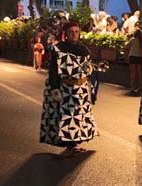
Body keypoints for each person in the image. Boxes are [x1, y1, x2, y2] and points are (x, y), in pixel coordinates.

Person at [40, 21, 98, 156]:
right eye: (71, 32)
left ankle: (75, 143)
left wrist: (89, 70)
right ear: (66, 34)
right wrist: (55, 89)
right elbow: (53, 70)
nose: (74, 35)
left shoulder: (84, 50)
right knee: (68, 117)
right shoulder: (58, 49)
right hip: (66, 88)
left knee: (79, 117)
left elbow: (87, 68)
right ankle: (70, 146)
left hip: (81, 88)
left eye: (77, 32)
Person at [125, 29, 142, 95]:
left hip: (132, 56)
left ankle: (133, 87)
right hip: (139, 56)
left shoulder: (132, 39)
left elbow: (126, 46)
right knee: (139, 72)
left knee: (133, 72)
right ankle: (140, 87)